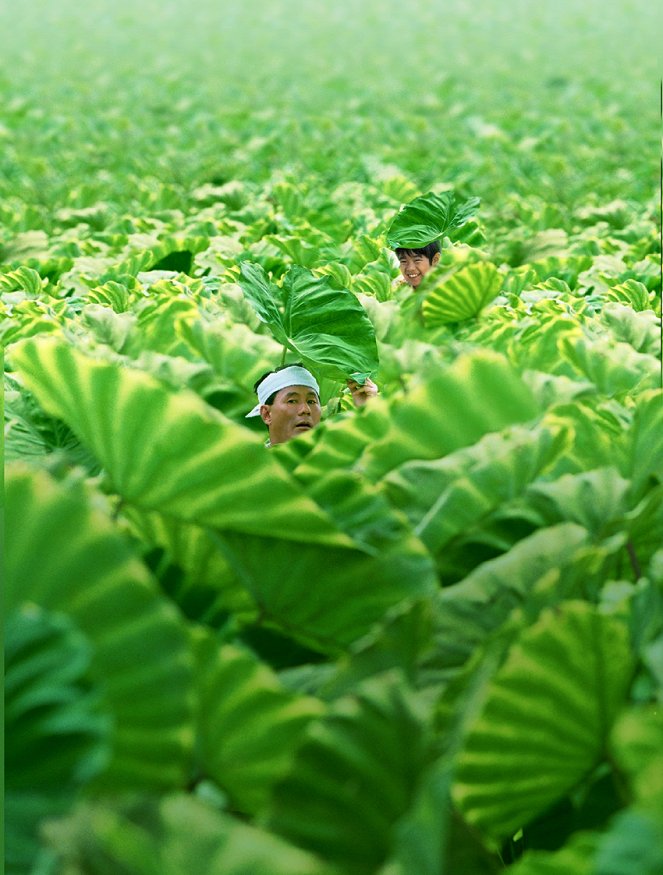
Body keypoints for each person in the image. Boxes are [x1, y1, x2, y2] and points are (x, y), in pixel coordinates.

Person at [246, 363, 378, 446]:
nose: (305, 410)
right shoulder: (252, 468)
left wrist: (370, 409)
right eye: (292, 401)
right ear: (267, 414)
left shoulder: (335, 460)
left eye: (311, 402)